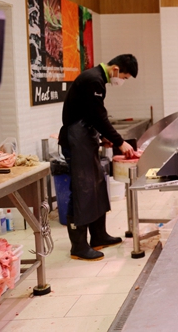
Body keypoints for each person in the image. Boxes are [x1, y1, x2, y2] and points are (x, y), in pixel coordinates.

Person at [59, 54, 138, 261]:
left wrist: (103, 137)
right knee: (82, 190)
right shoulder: (93, 80)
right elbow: (98, 116)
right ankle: (78, 246)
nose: (122, 81)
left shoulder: (97, 79)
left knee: (97, 186)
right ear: (116, 69)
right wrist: (120, 142)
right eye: (124, 77)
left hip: (85, 139)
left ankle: (98, 236)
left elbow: (90, 114)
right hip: (75, 141)